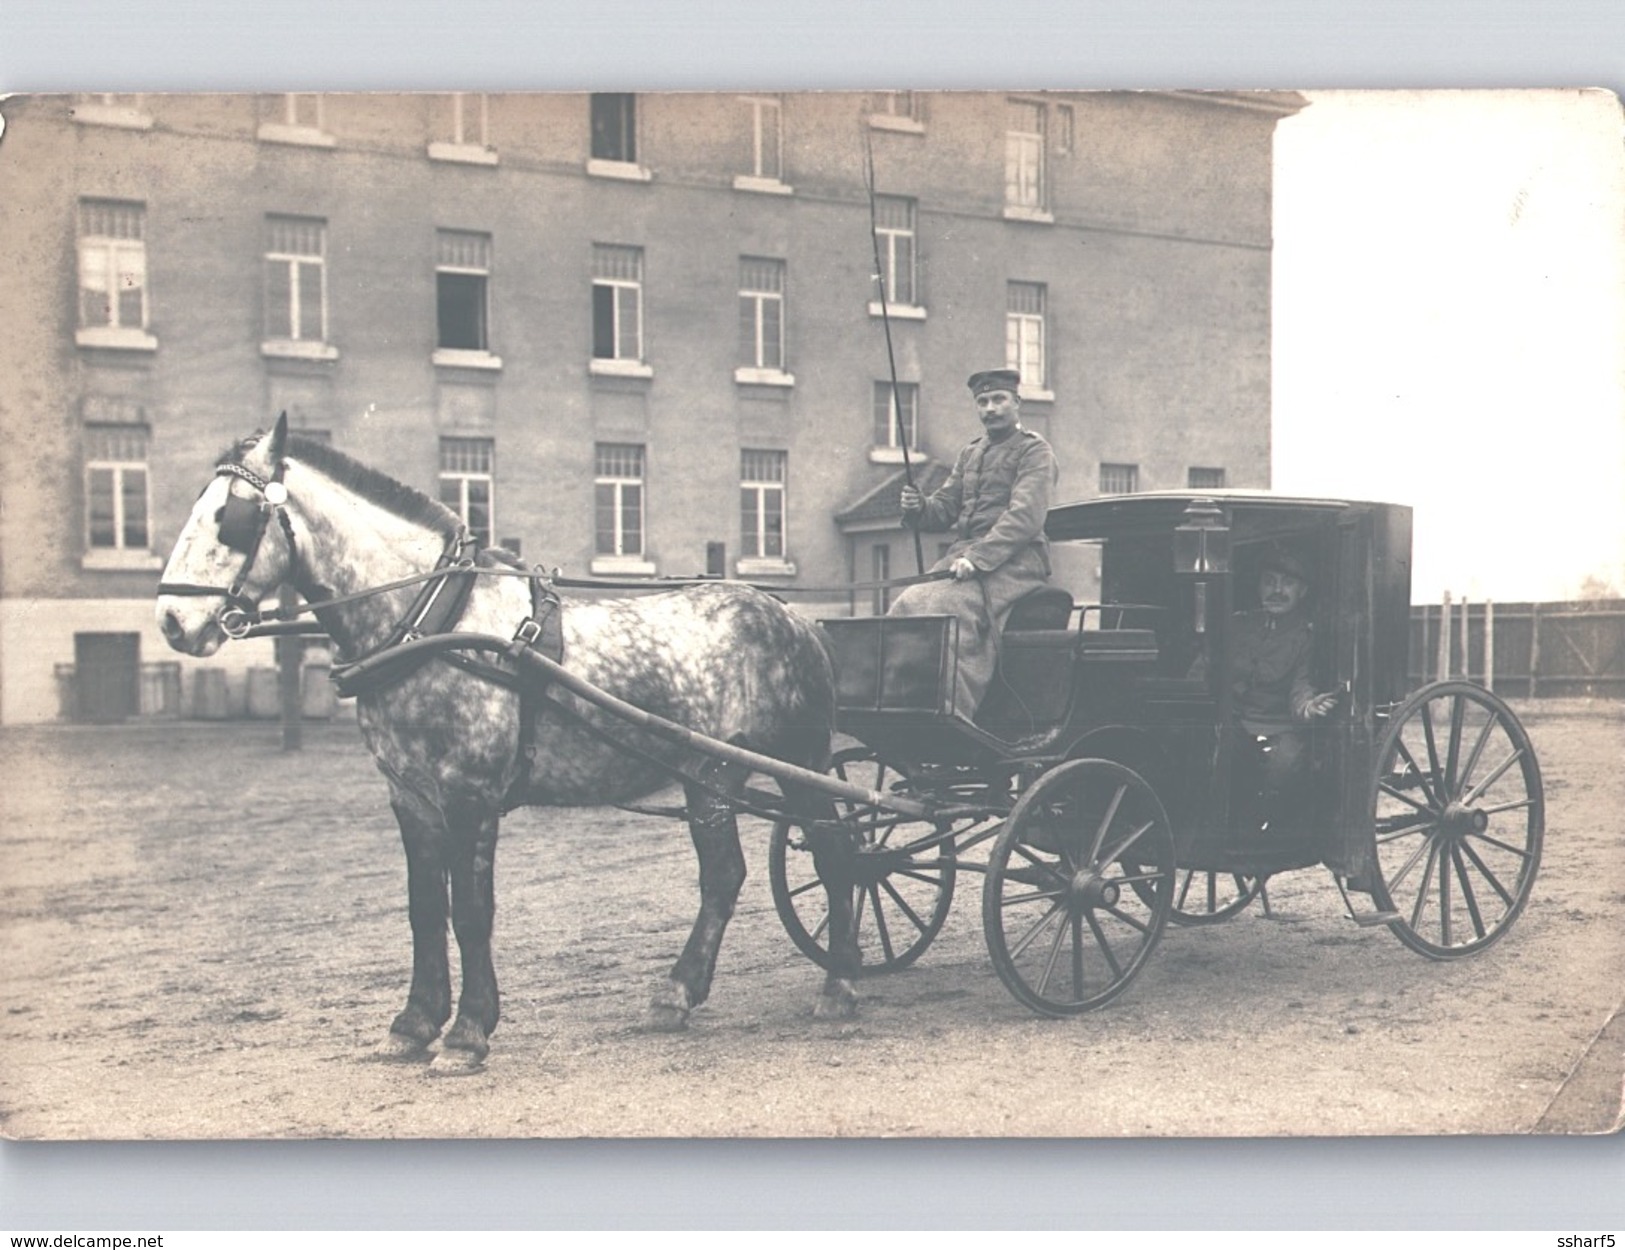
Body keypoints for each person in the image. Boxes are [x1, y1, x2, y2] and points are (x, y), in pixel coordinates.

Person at [887, 368, 1059, 719]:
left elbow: (1024, 518)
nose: (990, 408)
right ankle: (903, 704)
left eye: (998, 399)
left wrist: (978, 558)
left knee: (951, 609)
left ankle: (953, 713)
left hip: (1017, 561)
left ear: (1016, 403)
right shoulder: (971, 453)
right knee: (906, 604)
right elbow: (944, 509)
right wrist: (919, 507)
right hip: (964, 559)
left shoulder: (1034, 451)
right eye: (983, 401)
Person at [1212, 545, 1340, 835]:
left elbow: (1301, 686)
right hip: (1234, 722)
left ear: (1302, 592)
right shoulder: (1238, 625)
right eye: (1270, 581)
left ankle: (1265, 832)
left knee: (1283, 768)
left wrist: (1309, 707)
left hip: (1278, 725)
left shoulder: (1305, 636)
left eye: (1288, 583)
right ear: (1259, 586)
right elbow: (1207, 667)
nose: (1277, 590)